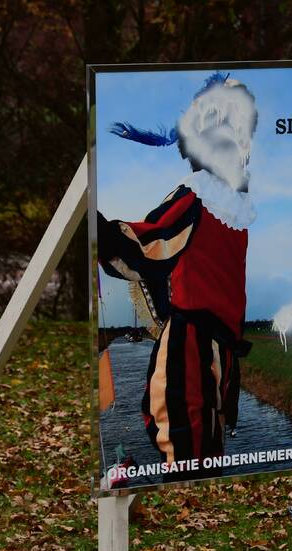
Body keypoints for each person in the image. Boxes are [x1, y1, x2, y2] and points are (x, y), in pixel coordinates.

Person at [98, 73, 256, 480]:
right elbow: (155, 249)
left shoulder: (209, 200)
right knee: (199, 449)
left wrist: (97, 230)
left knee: (193, 449)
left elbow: (150, 248)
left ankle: (192, 511)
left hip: (201, 348)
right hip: (210, 348)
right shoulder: (225, 204)